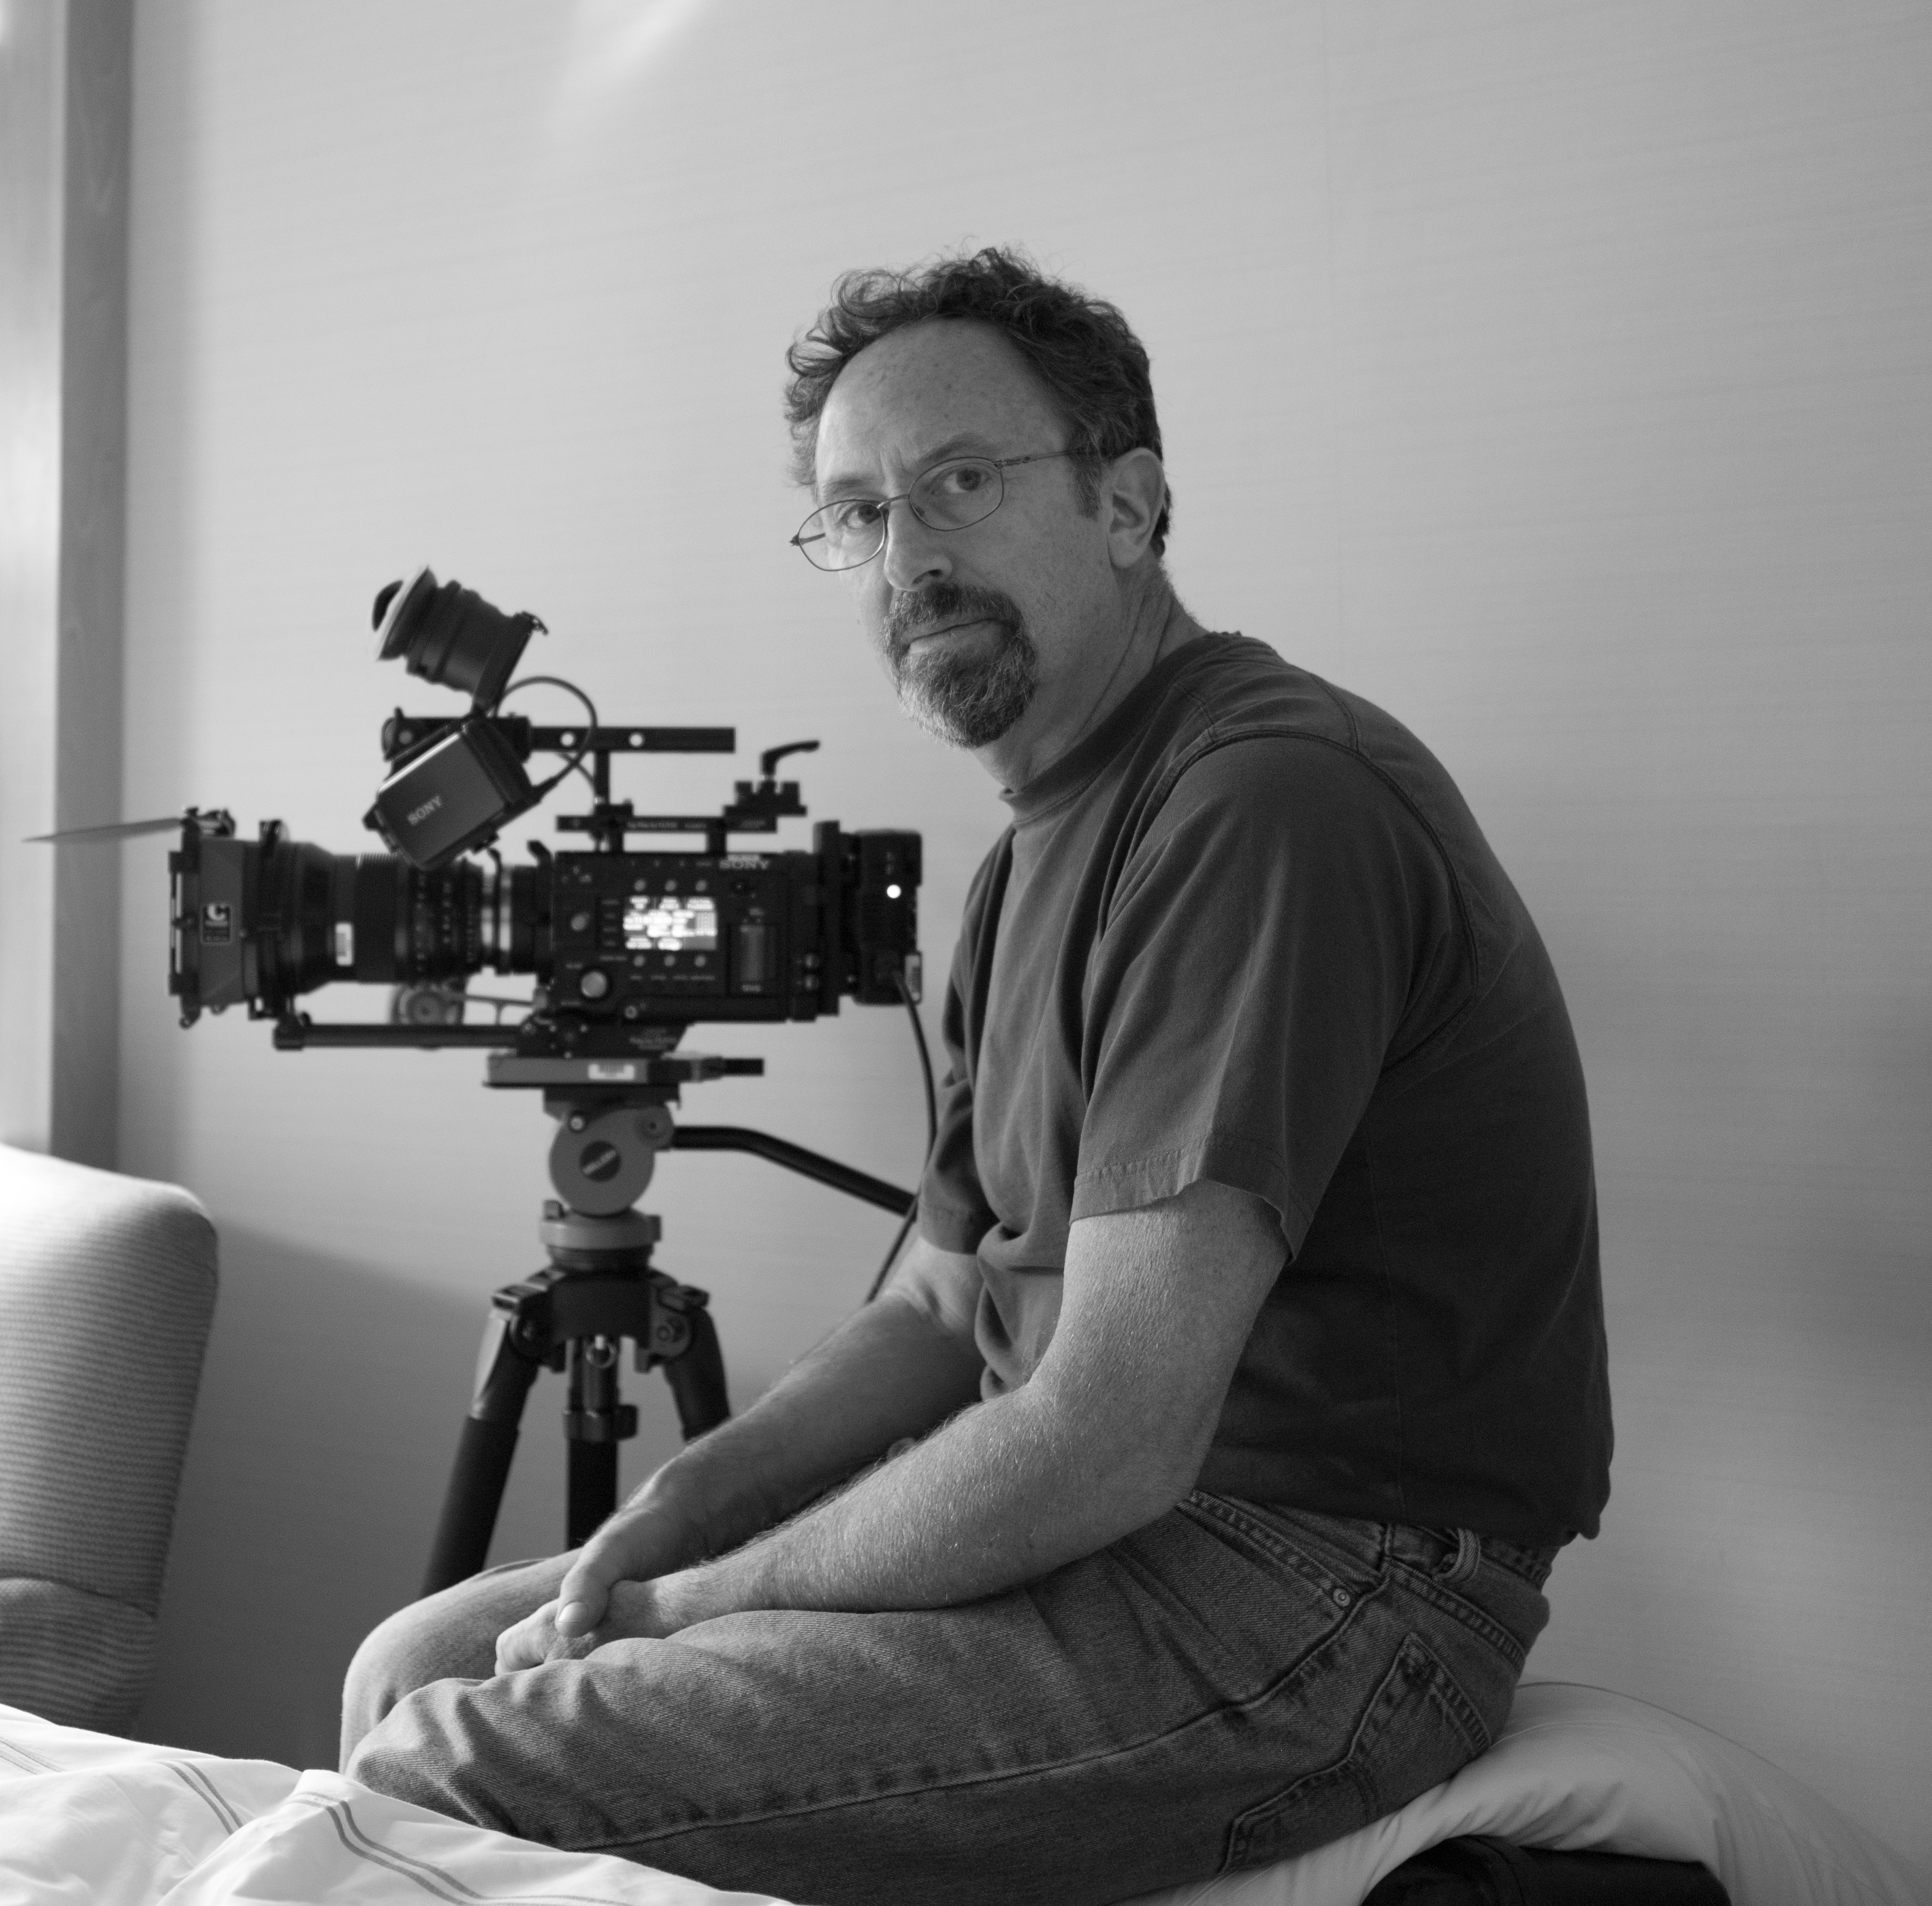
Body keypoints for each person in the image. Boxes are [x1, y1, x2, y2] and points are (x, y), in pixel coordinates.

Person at [340, 248, 1613, 1906]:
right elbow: (946, 1306)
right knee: (412, 1657)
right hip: (1136, 1537)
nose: (908, 555)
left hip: (1318, 1592)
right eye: (856, 514)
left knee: (452, 1761)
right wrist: (667, 1516)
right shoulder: (1024, 864)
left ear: (1129, 505)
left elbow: (1108, 1431)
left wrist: (691, 1610)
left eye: (957, 482)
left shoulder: (1260, 802)